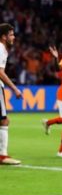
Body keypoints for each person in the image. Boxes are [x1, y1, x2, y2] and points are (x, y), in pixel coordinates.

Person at [0, 23, 22, 165]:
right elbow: (0, 72)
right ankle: (3, 156)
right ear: (3, 36)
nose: (13, 37)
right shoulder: (1, 48)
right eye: (11, 35)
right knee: (3, 120)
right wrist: (14, 89)